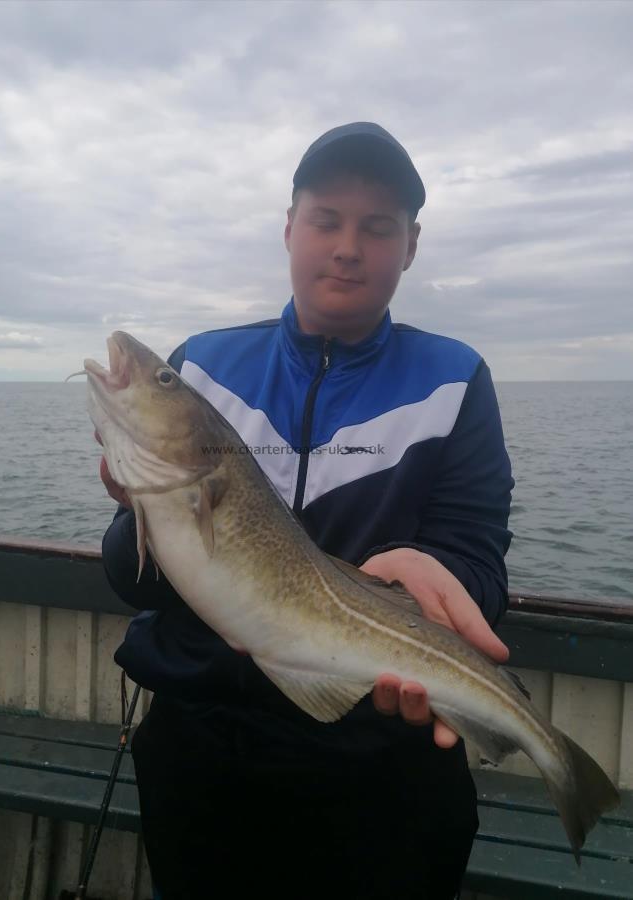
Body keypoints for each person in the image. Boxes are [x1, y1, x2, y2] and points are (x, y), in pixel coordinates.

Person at [100, 122, 514, 900]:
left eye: (376, 227)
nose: (347, 247)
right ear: (289, 228)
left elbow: (477, 568)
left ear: (411, 245)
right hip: (201, 754)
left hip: (382, 764)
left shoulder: (454, 380)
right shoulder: (203, 369)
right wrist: (143, 513)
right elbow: (134, 580)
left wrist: (429, 581)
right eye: (325, 220)